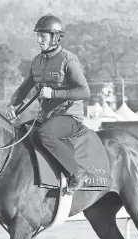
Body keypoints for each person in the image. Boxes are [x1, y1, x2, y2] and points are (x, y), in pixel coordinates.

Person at [6, 14, 91, 195]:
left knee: (44, 134)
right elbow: (24, 88)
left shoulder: (69, 60)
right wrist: (12, 106)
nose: (38, 40)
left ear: (55, 37)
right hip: (46, 117)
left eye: (42, 36)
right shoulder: (37, 61)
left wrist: (53, 93)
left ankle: (77, 172)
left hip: (69, 117)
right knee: (20, 133)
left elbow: (84, 91)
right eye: (37, 36)